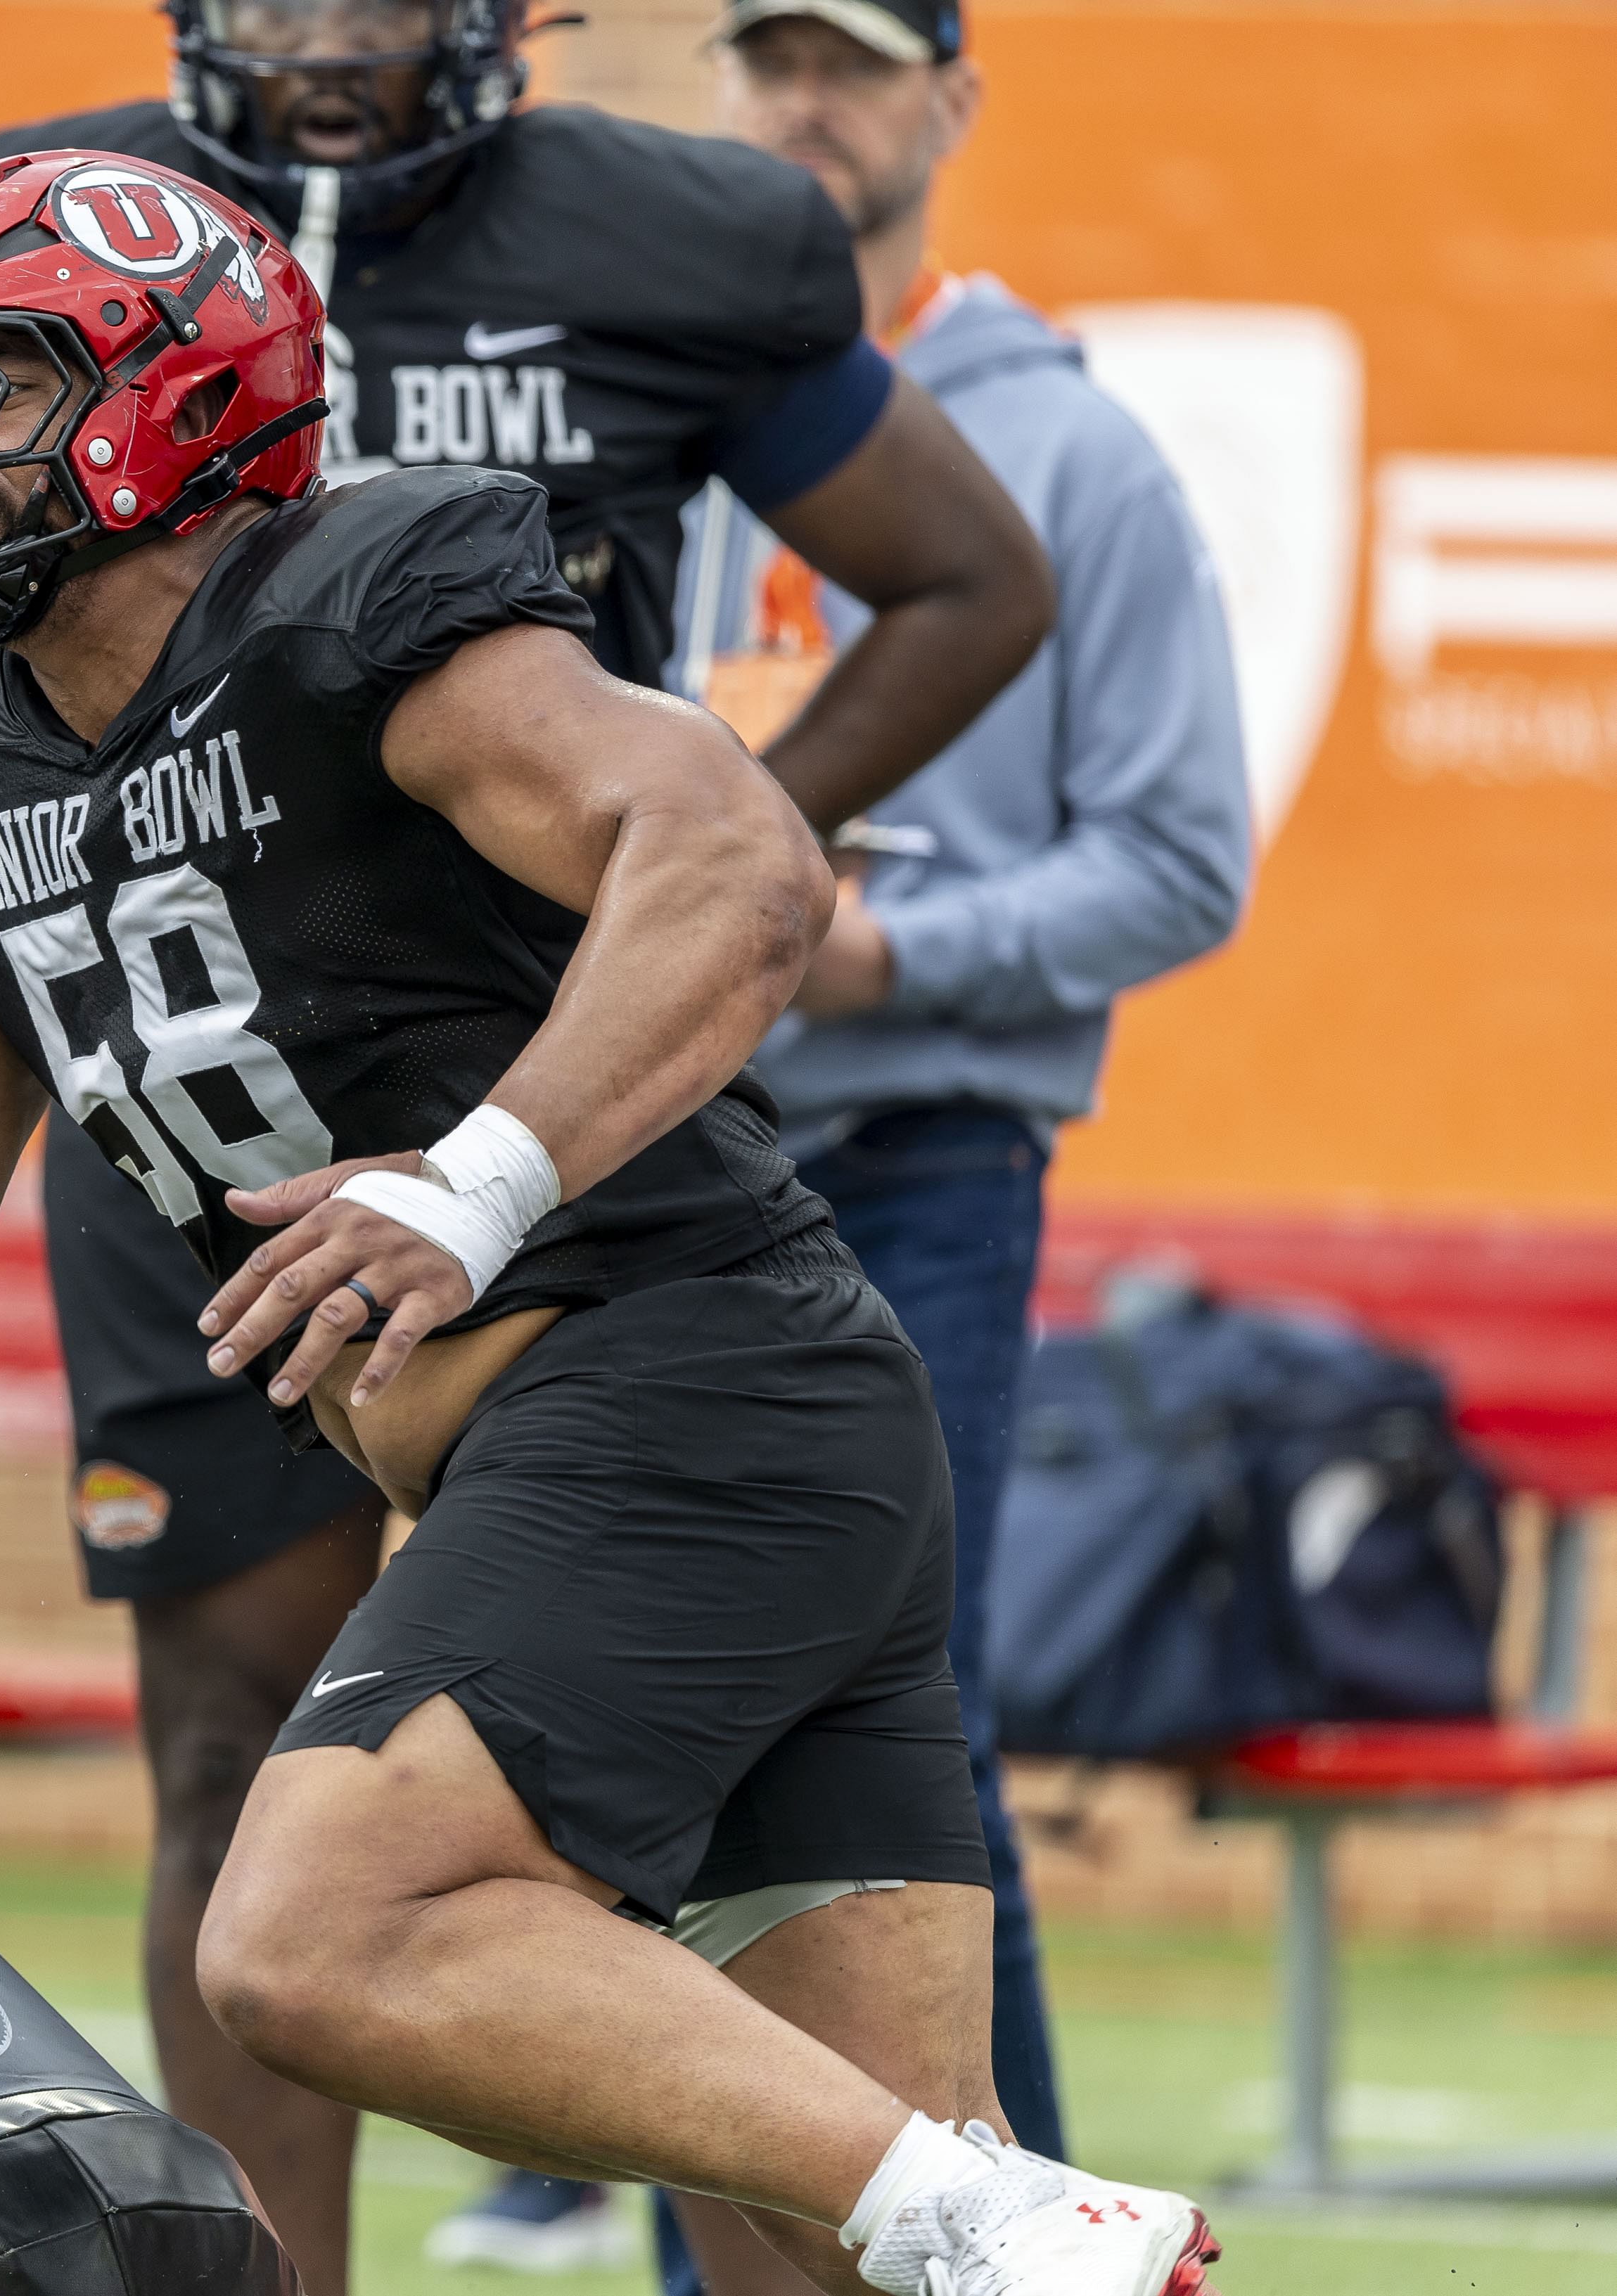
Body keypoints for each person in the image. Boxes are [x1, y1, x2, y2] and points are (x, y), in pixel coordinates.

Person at [0, 148, 1215, 2296]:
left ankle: (990, 2205)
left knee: (308, 1929)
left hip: (682, 1387)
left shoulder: (357, 603)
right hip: (698, 1451)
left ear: (175, 389)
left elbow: (737, 859)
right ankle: (981, 2213)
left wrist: (474, 1176)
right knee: (832, 2265)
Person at [632, 6, 1248, 2286]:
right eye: (764, 52)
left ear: (948, 107)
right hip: (638, 1166)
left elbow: (1181, 860)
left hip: (913, 1168)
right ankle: (832, 2240)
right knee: (677, 1736)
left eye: (856, 62)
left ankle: (1028, 2235)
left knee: (897, 1739)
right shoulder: (649, 421)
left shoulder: (1067, 460)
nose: (805, 101)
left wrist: (900, 960)